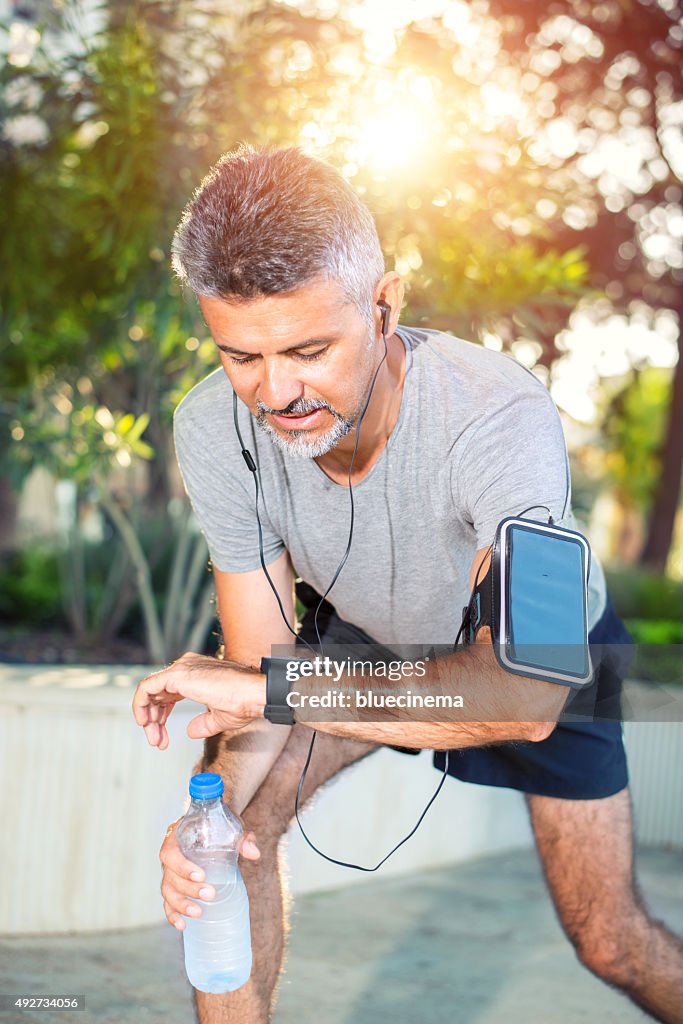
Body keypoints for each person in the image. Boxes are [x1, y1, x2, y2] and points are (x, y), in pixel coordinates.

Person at [132, 145, 683, 1024]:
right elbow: (261, 657)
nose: (275, 392)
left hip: (531, 663)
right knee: (231, 842)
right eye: (242, 357)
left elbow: (522, 692)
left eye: (309, 349)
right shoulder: (212, 424)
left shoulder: (498, 415)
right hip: (363, 635)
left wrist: (272, 688)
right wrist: (209, 826)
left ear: (384, 304)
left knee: (608, 937)